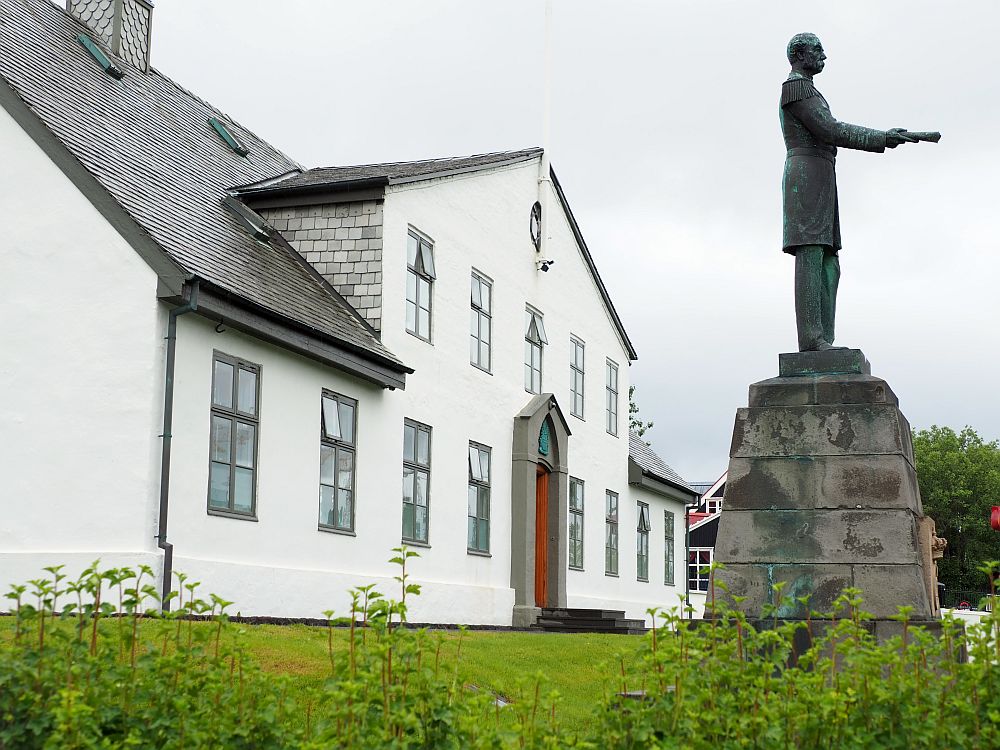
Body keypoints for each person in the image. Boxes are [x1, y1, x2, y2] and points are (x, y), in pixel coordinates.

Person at [780, 32, 915, 352]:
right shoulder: (796, 89)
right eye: (817, 50)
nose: (824, 54)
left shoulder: (809, 90)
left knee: (829, 259)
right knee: (811, 252)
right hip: (807, 173)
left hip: (821, 174)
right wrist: (881, 137)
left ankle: (824, 338)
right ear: (799, 55)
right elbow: (831, 129)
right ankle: (812, 341)